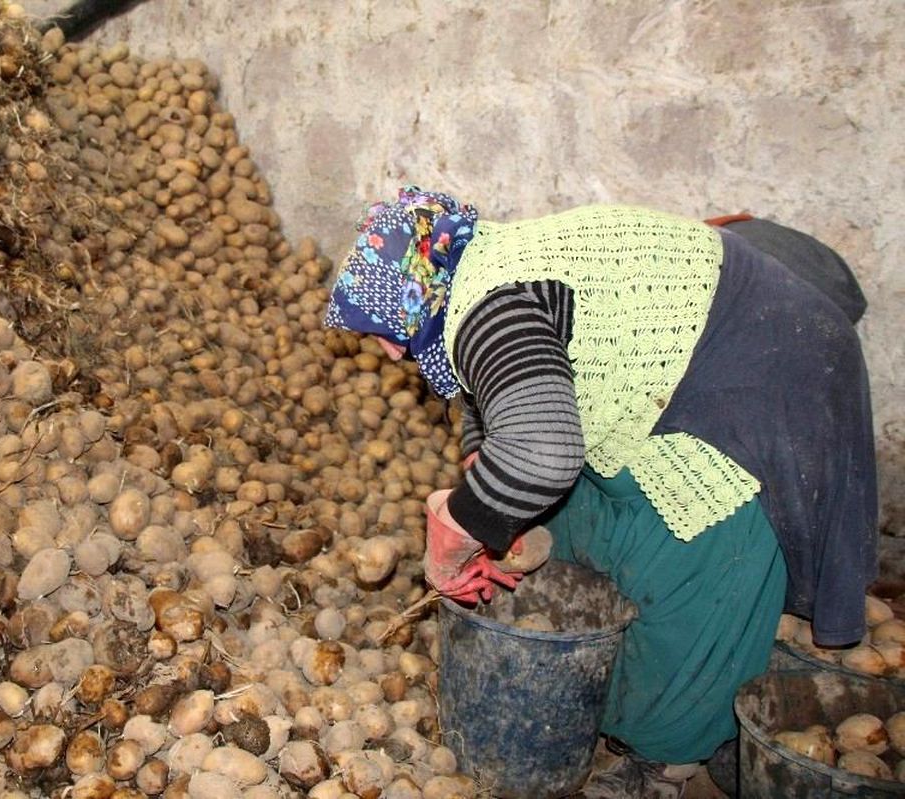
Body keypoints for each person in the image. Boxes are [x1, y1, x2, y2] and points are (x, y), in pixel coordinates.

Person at [324, 187, 878, 798]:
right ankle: (606, 666)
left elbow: (541, 451)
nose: (389, 348)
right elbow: (506, 391)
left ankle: (667, 756)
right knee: (560, 511)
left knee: (693, 561)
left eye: (383, 327)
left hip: (762, 383)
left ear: (417, 297)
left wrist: (455, 532)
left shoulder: (494, 307)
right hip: (706, 351)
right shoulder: (477, 270)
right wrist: (486, 482)